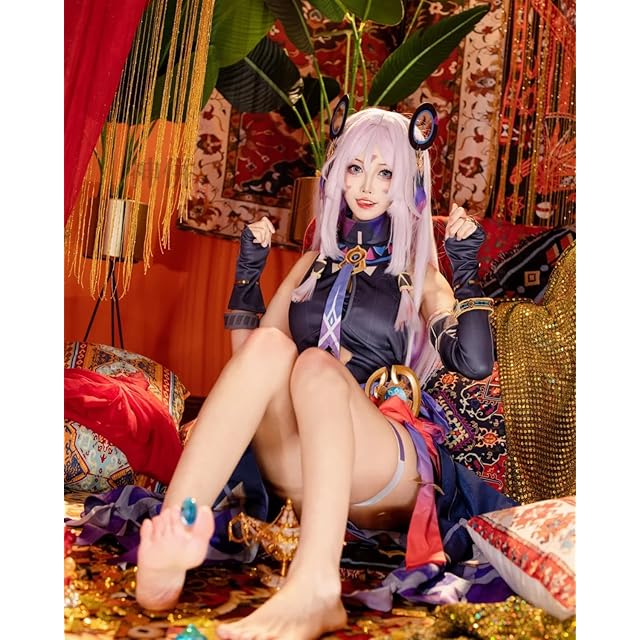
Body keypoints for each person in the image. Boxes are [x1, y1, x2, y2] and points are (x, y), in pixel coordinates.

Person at [134, 106, 513, 640]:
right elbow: (251, 362)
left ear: (408, 183)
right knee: (273, 345)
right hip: (300, 459)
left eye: (385, 173)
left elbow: (474, 363)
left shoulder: (421, 277)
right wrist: (247, 279)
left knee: (314, 364)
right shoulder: (310, 266)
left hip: (382, 456)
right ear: (337, 174)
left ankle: (316, 586)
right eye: (355, 168)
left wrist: (467, 273)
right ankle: (178, 530)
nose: (367, 186)